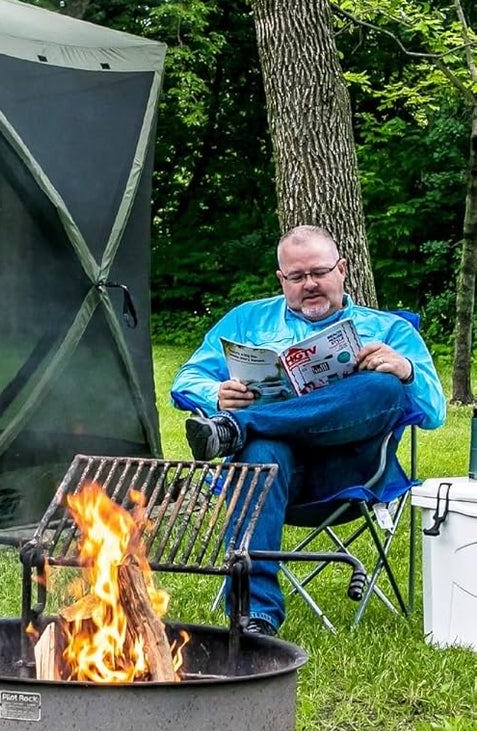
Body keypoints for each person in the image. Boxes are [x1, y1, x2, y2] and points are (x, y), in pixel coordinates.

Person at [172, 225, 445, 635]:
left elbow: (435, 411)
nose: (310, 284)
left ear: (342, 269)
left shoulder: (390, 330)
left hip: (351, 471)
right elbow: (186, 378)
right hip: (278, 475)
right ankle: (254, 615)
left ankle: (237, 427)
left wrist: (405, 371)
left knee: (383, 385)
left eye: (319, 272)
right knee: (262, 452)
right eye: (297, 277)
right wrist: (217, 393)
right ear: (282, 280)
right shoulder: (248, 320)